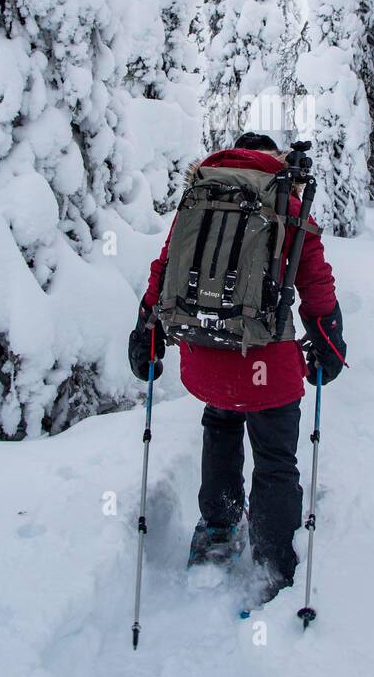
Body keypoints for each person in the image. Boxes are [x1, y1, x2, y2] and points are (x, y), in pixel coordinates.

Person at [128, 132, 346, 603]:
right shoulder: (286, 198)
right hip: (267, 366)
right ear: (275, 158)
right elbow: (316, 285)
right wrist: (330, 343)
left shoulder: (203, 194)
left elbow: (165, 268)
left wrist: (147, 332)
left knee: (220, 427)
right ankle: (274, 562)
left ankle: (218, 530)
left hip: (207, 358)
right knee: (275, 460)